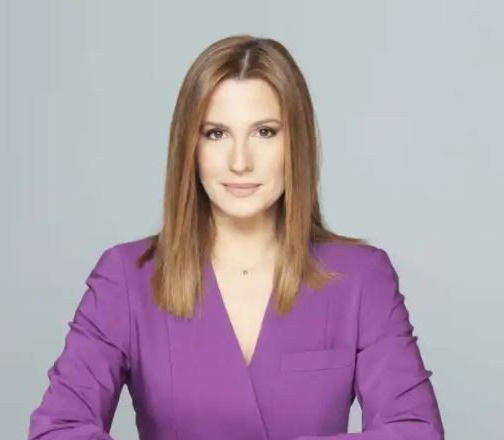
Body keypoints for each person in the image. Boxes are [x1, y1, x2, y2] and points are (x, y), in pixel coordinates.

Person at [28, 34, 444, 440]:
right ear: (189, 147)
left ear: (296, 142)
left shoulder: (360, 278)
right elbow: (58, 428)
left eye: (265, 132)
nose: (240, 161)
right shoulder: (126, 278)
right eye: (216, 133)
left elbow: (414, 430)